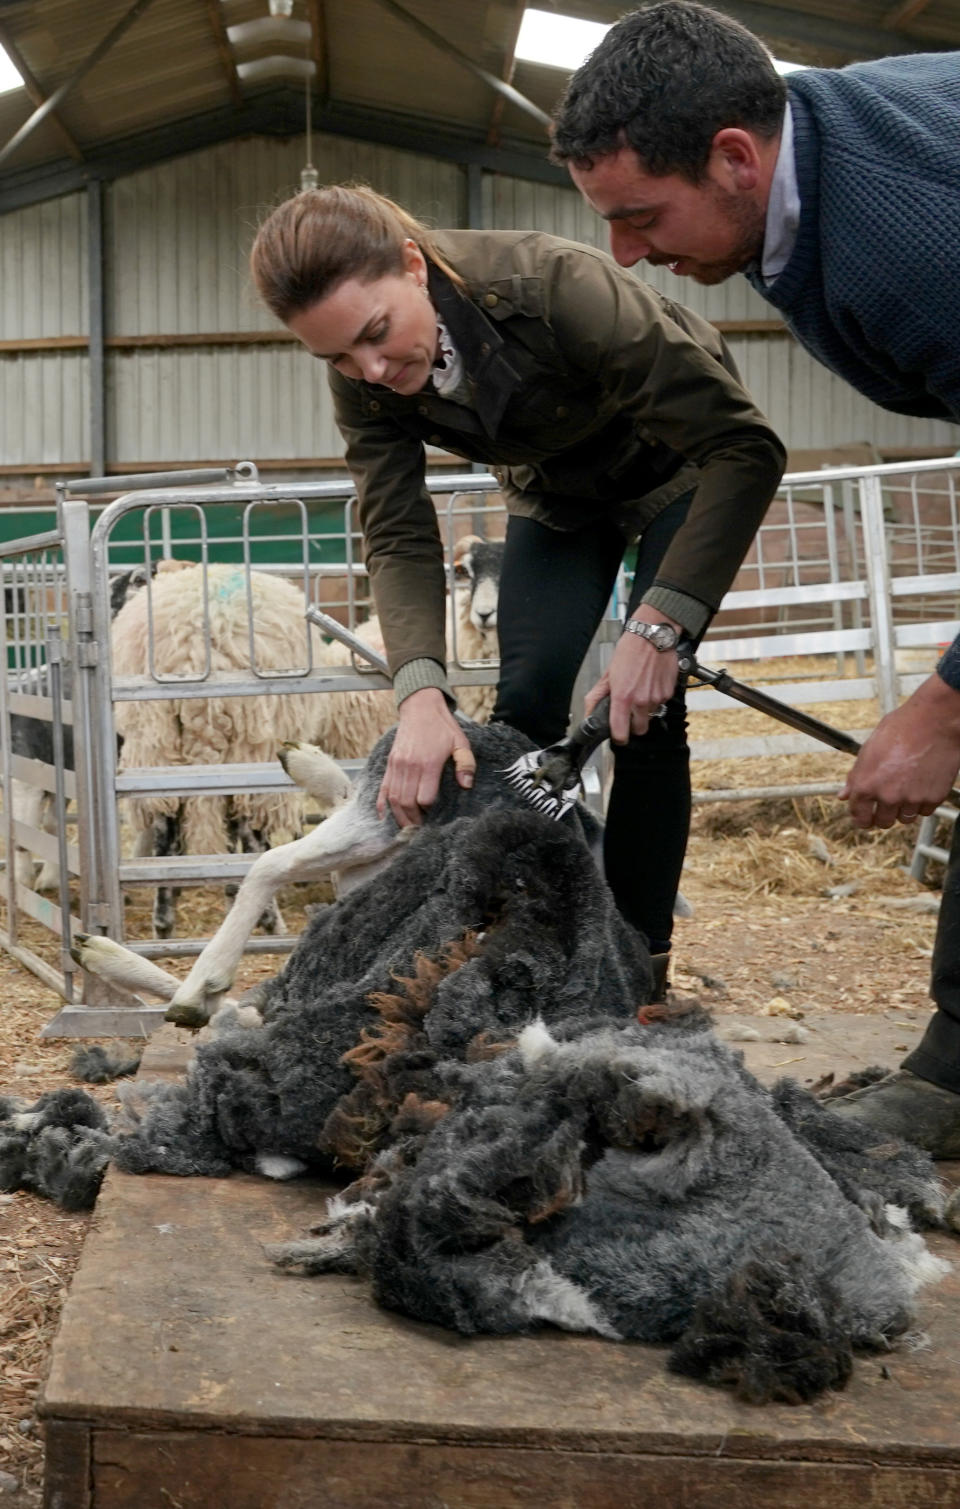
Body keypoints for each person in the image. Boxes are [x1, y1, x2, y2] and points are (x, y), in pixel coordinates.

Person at [551, 0, 960, 1152]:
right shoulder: (805, 176)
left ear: (735, 155)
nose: (627, 255)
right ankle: (954, 1073)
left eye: (639, 217)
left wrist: (943, 702)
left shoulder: (911, 238)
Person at [249, 184, 785, 994]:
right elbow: (396, 527)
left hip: (680, 467)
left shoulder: (556, 287)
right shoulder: (362, 375)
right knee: (523, 708)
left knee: (644, 716)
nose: (371, 370)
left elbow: (744, 445)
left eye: (376, 334)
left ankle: (639, 972)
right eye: (337, 359)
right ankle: (504, 949)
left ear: (412, 264)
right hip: (560, 492)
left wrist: (661, 628)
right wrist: (420, 695)